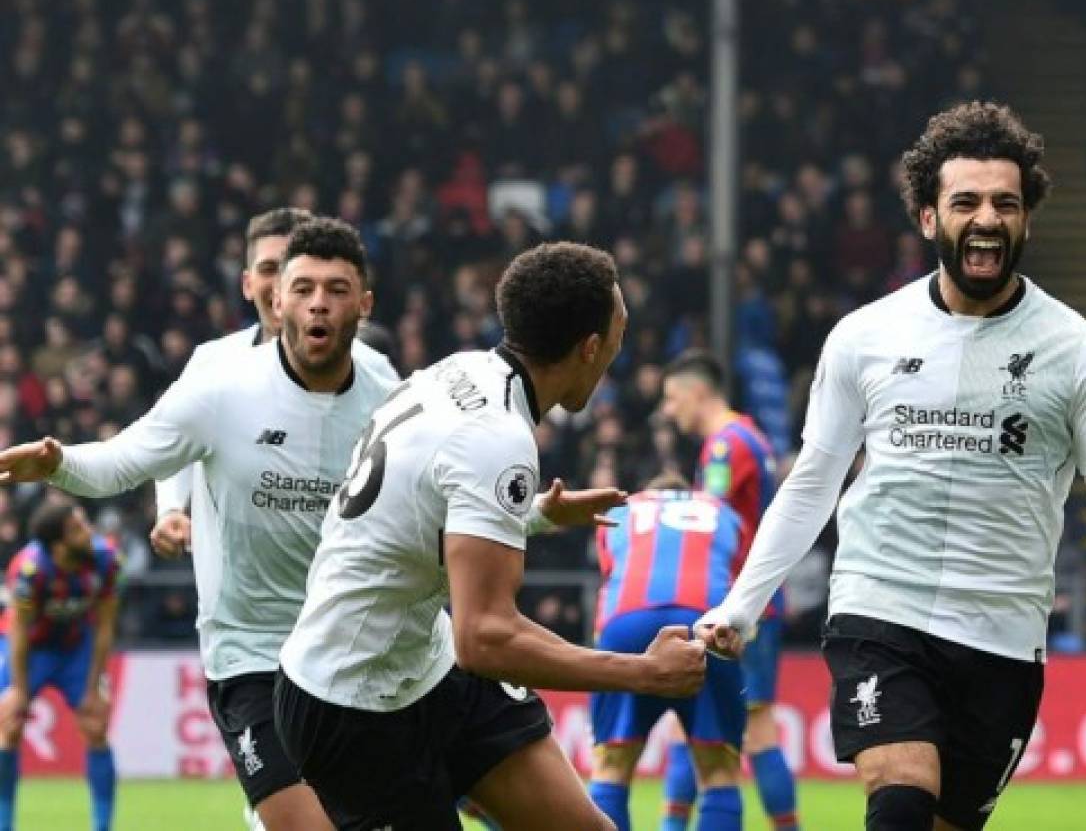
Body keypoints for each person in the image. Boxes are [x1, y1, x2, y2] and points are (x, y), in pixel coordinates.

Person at [695, 101, 1086, 831]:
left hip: (1001, 633)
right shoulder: (863, 337)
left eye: (1004, 203)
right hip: (880, 607)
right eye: (964, 202)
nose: (986, 218)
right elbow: (812, 482)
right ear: (928, 218)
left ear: (1026, 219)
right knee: (899, 800)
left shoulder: (1081, 350)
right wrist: (739, 606)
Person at [274, 242, 707, 831]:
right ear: (589, 348)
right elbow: (486, 638)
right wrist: (641, 673)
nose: (617, 353)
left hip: (428, 667)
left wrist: (535, 514)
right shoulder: (497, 439)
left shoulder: (463, 370)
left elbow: (424, 502)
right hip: (351, 705)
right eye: (618, 335)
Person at [0, 218, 395, 831]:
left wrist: (528, 517)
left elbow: (424, 491)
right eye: (290, 281)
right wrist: (66, 466)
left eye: (335, 289)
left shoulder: (381, 385)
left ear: (362, 304)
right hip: (251, 648)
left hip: (349, 639)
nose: (313, 301)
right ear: (265, 290)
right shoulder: (217, 377)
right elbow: (142, 453)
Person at [151, 206, 397, 562]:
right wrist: (172, 508)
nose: (279, 280)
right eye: (269, 269)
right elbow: (171, 441)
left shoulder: (375, 370)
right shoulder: (213, 363)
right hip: (240, 593)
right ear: (249, 284)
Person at [661, 350, 798, 831]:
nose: (668, 410)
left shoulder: (727, 445)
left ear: (699, 393)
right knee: (692, 721)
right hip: (747, 602)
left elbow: (710, 519)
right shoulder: (747, 438)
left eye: (673, 398)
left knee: (752, 729)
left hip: (741, 607)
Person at [589, 474, 747, 831]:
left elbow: (610, 578)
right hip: (705, 619)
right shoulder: (722, 511)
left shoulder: (622, 509)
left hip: (627, 619)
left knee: (612, 765)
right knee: (719, 770)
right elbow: (737, 585)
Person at [0, 499, 120, 831]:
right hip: (32, 650)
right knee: (8, 726)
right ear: (58, 546)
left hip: (75, 646)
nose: (88, 532)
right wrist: (19, 690)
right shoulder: (29, 571)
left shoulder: (105, 559)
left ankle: (102, 827)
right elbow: (19, 631)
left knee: (95, 725)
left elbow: (106, 624)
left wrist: (94, 685)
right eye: (78, 529)